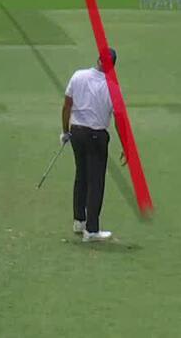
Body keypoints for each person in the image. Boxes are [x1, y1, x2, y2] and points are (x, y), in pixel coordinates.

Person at [61, 48, 117, 242]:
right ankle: (91, 230)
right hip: (96, 136)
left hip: (76, 132)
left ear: (98, 60)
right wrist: (127, 147)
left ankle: (79, 221)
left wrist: (65, 131)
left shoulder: (78, 75)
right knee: (96, 182)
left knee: (81, 176)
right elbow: (119, 119)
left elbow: (67, 105)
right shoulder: (112, 86)